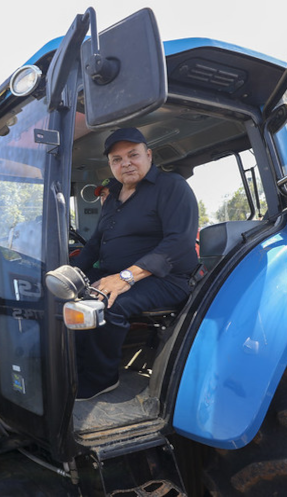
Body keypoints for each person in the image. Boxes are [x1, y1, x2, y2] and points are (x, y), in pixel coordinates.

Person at [71, 128, 199, 401]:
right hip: (115, 272)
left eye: (133, 155)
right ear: (111, 165)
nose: (126, 163)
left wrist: (125, 277)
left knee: (105, 304)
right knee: (68, 294)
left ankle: (101, 379)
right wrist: (73, 272)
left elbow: (179, 242)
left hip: (165, 279)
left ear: (148, 155)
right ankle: (74, 367)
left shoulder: (171, 186)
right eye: (117, 159)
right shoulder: (113, 196)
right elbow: (96, 242)